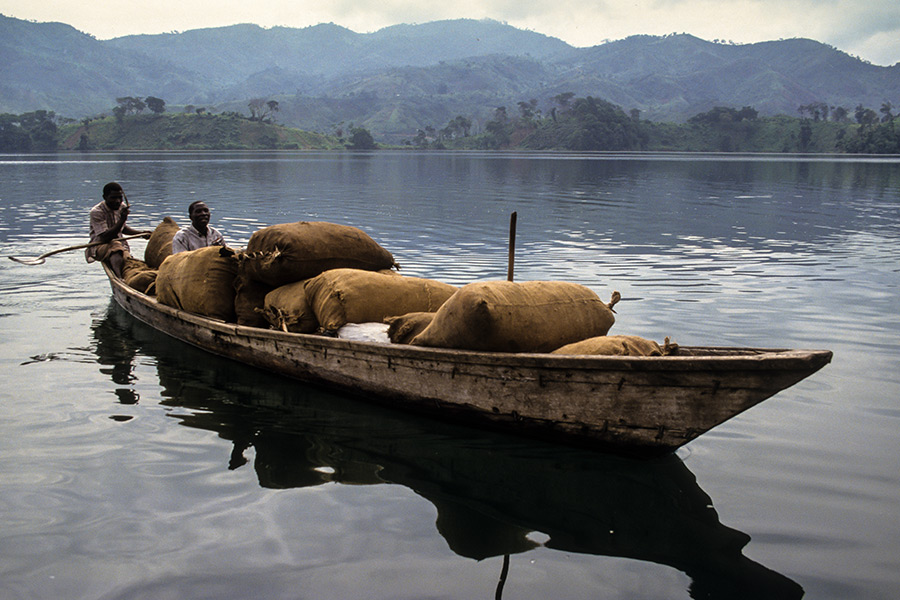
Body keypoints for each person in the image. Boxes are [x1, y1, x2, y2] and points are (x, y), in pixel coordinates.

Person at [86, 182, 151, 278]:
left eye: (120, 198)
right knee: (116, 248)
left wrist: (141, 233)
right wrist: (122, 219)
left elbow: (122, 228)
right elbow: (105, 237)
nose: (117, 201)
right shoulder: (97, 212)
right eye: (113, 198)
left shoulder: (121, 206)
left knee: (127, 258)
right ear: (105, 197)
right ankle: (119, 278)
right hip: (100, 244)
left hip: (120, 244)